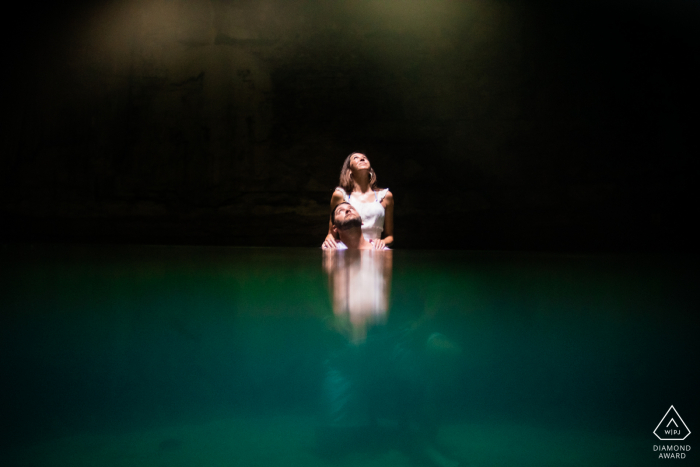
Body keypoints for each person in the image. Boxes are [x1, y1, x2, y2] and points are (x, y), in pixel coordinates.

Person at [322, 153, 394, 250]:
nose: (361, 159)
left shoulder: (385, 196)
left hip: (374, 249)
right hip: (347, 249)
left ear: (370, 169)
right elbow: (331, 233)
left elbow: (390, 236)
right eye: (356, 158)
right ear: (349, 170)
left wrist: (382, 242)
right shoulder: (340, 195)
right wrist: (329, 241)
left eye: (364, 158)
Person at [324, 202, 390, 250]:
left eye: (351, 208)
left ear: (361, 221)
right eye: (340, 211)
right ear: (335, 228)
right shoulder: (330, 251)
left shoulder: (382, 250)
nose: (348, 210)